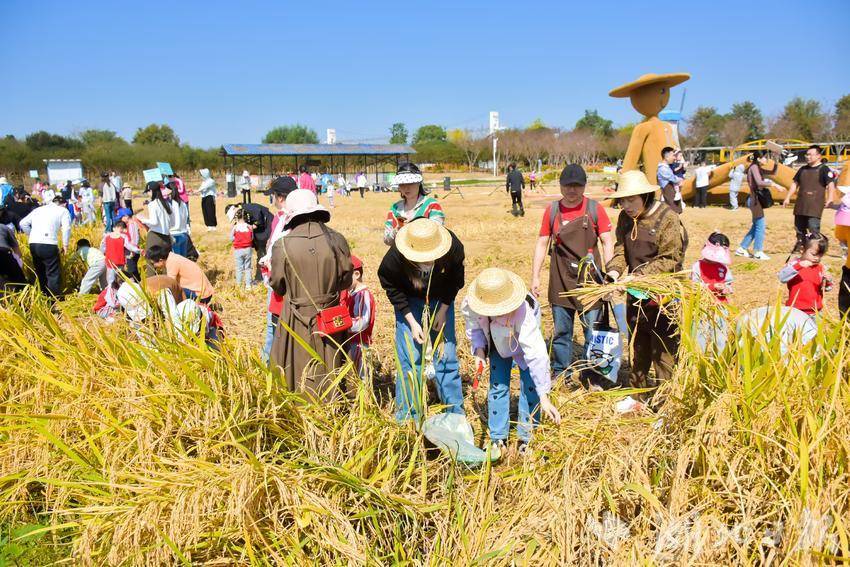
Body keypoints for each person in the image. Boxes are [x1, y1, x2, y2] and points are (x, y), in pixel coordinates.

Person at [463, 268, 561, 457]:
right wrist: (480, 351)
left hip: (519, 340)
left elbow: (536, 355)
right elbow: (474, 327)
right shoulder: (473, 303)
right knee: (498, 384)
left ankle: (527, 438)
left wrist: (544, 396)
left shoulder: (524, 312)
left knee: (529, 386)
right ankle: (498, 438)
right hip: (495, 340)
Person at [605, 171, 687, 394]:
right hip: (636, 295)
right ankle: (638, 395)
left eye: (632, 199)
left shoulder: (667, 217)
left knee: (663, 351)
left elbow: (671, 257)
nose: (627, 205)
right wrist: (613, 272)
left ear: (645, 196)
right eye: (623, 200)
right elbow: (621, 249)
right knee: (639, 345)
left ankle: (666, 400)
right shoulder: (625, 218)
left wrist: (640, 276)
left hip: (663, 297)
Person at [531, 164, 614, 379]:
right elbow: (542, 243)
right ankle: (561, 373)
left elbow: (607, 241)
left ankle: (593, 374)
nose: (572, 190)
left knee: (592, 332)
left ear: (584, 186)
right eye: (567, 185)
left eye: (577, 185)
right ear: (560, 186)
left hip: (591, 283)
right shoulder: (553, 210)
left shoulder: (595, 209)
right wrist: (535, 276)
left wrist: (610, 275)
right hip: (561, 280)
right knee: (561, 332)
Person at [378, 218, 465, 422]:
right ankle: (409, 415)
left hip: (441, 299)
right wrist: (411, 320)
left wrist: (443, 310)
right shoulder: (395, 258)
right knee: (410, 357)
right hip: (409, 301)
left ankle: (454, 415)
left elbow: (456, 281)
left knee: (446, 356)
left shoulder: (453, 248)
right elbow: (390, 286)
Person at [269, 189, 353, 399]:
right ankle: (335, 405)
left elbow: (278, 285)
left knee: (297, 367)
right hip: (331, 314)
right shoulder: (337, 240)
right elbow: (347, 280)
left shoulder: (283, 245)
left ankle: (301, 408)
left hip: (296, 317)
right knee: (333, 361)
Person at [259, 176, 298, 364]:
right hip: (274, 276)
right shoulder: (279, 218)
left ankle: (270, 363)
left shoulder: (290, 220)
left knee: (273, 325)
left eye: (272, 195)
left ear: (280, 197)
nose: (271, 199)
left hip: (280, 280)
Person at [783, 145, 838, 252]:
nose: (807, 157)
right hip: (801, 204)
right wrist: (787, 197)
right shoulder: (802, 169)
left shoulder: (824, 169)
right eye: (806, 154)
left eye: (810, 154)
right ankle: (801, 246)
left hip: (815, 205)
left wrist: (830, 198)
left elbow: (831, 185)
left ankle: (816, 249)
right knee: (799, 228)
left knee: (813, 228)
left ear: (818, 156)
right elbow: (795, 184)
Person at [20, 194, 72, 296]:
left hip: (33, 243)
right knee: (53, 274)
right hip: (49, 243)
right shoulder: (63, 211)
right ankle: (55, 300)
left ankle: (44, 296)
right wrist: (65, 245)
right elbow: (66, 228)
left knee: (40, 272)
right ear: (64, 204)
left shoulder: (39, 209)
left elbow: (22, 223)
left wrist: (31, 234)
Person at [383, 162, 445, 244]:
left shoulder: (432, 205)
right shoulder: (395, 208)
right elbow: (386, 240)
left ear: (419, 183)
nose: (406, 187)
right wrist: (396, 231)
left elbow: (437, 232)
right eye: (402, 184)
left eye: (411, 183)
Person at [779, 232, 832, 316]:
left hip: (816, 311)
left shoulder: (820, 267)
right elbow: (782, 277)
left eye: (820, 255)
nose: (817, 258)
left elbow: (826, 288)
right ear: (802, 250)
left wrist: (828, 281)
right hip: (796, 311)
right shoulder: (794, 264)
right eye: (814, 254)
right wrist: (799, 265)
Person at [735, 151, 776, 260]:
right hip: (754, 200)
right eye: (764, 158)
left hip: (755, 200)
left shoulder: (757, 167)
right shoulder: (754, 167)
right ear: (758, 159)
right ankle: (758, 251)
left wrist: (776, 159)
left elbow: (773, 172)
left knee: (756, 226)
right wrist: (773, 184)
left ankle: (742, 248)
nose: (766, 160)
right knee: (760, 226)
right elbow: (759, 182)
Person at [147, 244, 214, 303]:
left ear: (161, 260)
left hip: (201, 296)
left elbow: (170, 284)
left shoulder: (172, 263)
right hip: (205, 292)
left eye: (153, 264)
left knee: (169, 293)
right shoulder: (172, 257)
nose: (153, 266)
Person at [348, 254, 376, 378]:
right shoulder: (352, 294)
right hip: (352, 342)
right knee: (353, 376)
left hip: (359, 343)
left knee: (361, 377)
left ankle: (365, 397)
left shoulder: (362, 295)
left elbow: (362, 322)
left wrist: (343, 326)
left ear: (356, 274)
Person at [138, 181, 174, 274]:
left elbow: (154, 222)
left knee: (150, 261)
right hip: (166, 237)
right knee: (166, 263)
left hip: (155, 236)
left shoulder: (152, 204)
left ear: (151, 191)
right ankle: (168, 286)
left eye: (148, 191)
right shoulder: (166, 203)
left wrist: (143, 219)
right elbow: (172, 221)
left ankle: (152, 286)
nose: (147, 194)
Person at [690, 232, 733, 303]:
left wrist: (726, 289)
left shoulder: (723, 268)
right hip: (703, 304)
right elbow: (694, 285)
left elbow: (729, 284)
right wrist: (711, 286)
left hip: (721, 304)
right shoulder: (697, 266)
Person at [101, 220, 140, 286]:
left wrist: (103, 253)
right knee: (119, 279)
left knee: (111, 280)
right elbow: (129, 246)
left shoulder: (107, 236)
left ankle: (112, 293)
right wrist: (138, 250)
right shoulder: (123, 237)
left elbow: (102, 248)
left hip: (111, 262)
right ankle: (117, 292)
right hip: (118, 262)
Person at [115, 208, 145, 281]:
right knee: (131, 269)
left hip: (132, 251)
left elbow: (135, 238)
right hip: (131, 250)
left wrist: (133, 251)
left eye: (121, 217)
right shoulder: (129, 224)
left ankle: (138, 285)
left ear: (126, 216)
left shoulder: (132, 224)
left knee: (132, 270)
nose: (121, 220)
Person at [229, 206, 254, 290]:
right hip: (248, 249)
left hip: (238, 250)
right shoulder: (249, 227)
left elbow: (231, 238)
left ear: (236, 217)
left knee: (239, 268)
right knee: (248, 267)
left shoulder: (235, 227)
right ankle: (248, 285)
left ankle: (239, 285)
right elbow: (252, 237)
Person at [657, 146, 685, 214]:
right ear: (666, 157)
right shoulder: (663, 169)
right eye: (673, 155)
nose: (674, 158)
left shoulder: (667, 167)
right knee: (671, 214)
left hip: (671, 195)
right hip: (669, 196)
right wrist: (680, 179)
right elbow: (673, 178)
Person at [0, 220, 26, 287]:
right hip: (4, 253)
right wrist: (18, 264)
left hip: (3, 253)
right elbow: (17, 251)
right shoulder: (4, 227)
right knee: (19, 281)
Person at [168, 187, 191, 257]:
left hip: (175, 235)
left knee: (177, 261)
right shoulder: (183, 203)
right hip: (184, 234)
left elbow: (175, 222)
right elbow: (186, 216)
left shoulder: (173, 204)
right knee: (184, 260)